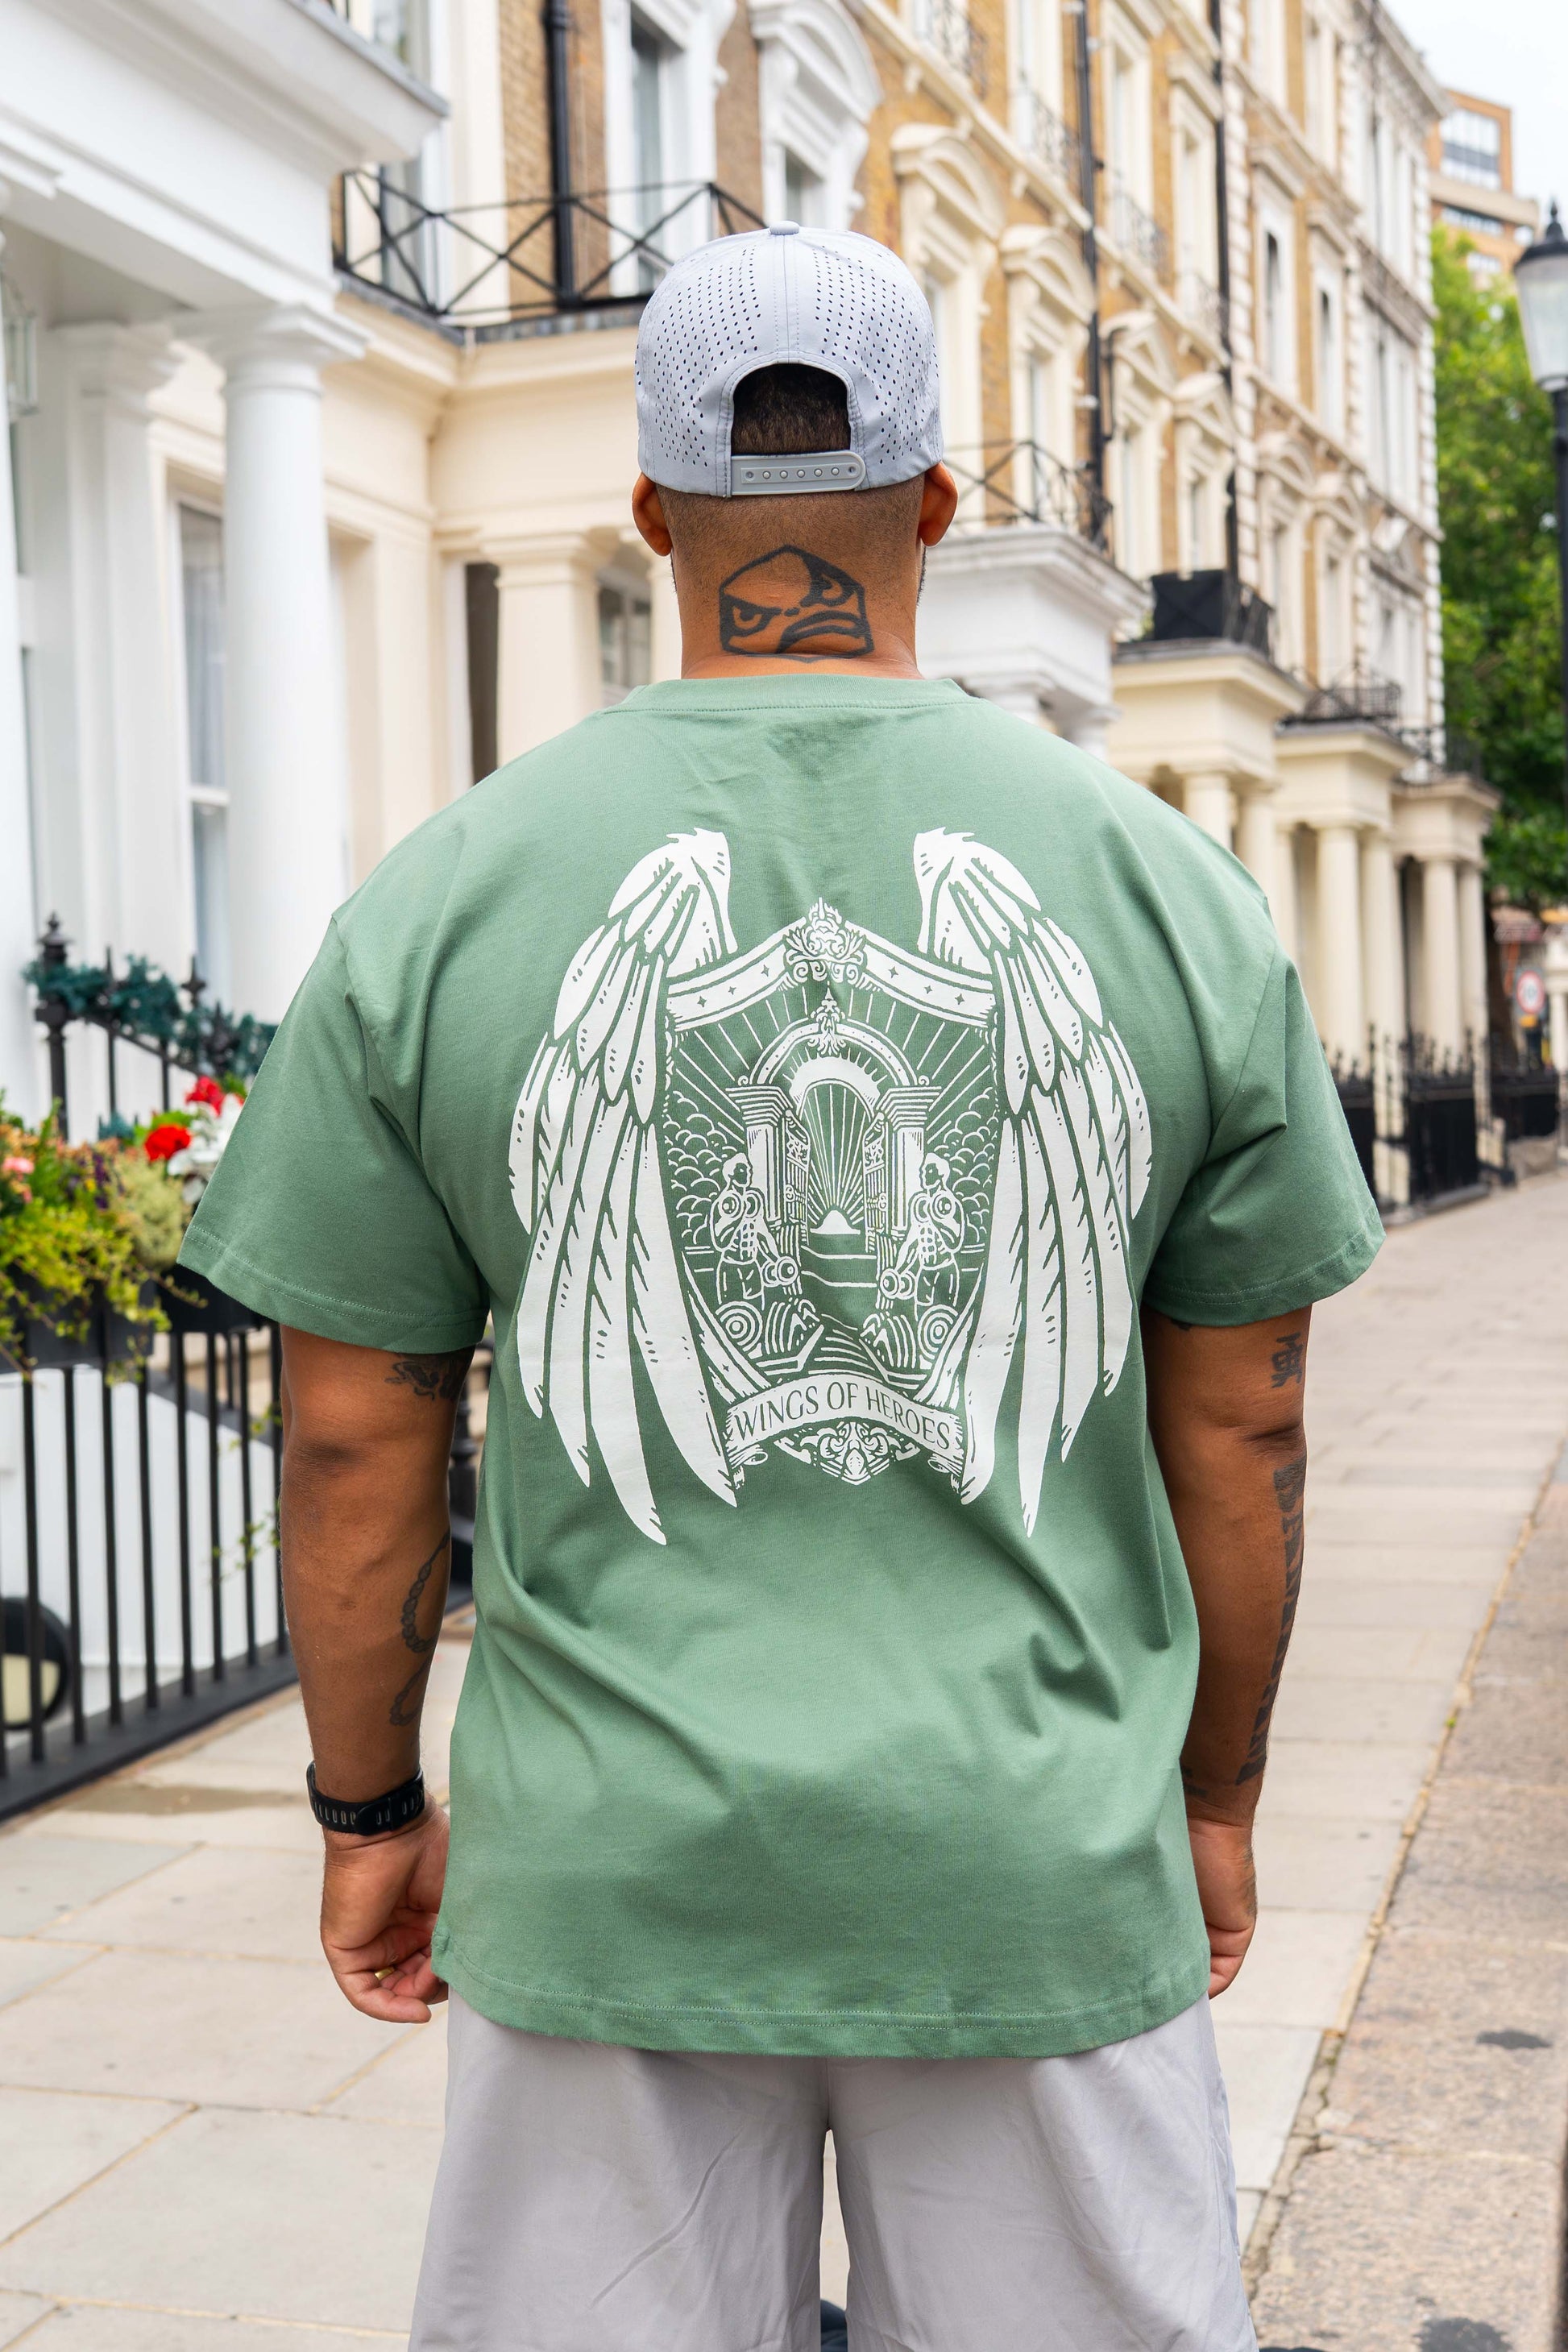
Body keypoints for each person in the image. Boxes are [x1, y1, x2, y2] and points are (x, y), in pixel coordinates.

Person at [179, 224, 1380, 2352]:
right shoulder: (1161, 890)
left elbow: (358, 1426)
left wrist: (369, 1808)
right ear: (938, 498)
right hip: (1029, 1851)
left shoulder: (448, 893)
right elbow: (1244, 1415)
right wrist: (1203, 1797)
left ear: (646, 507)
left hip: (613, 1862)